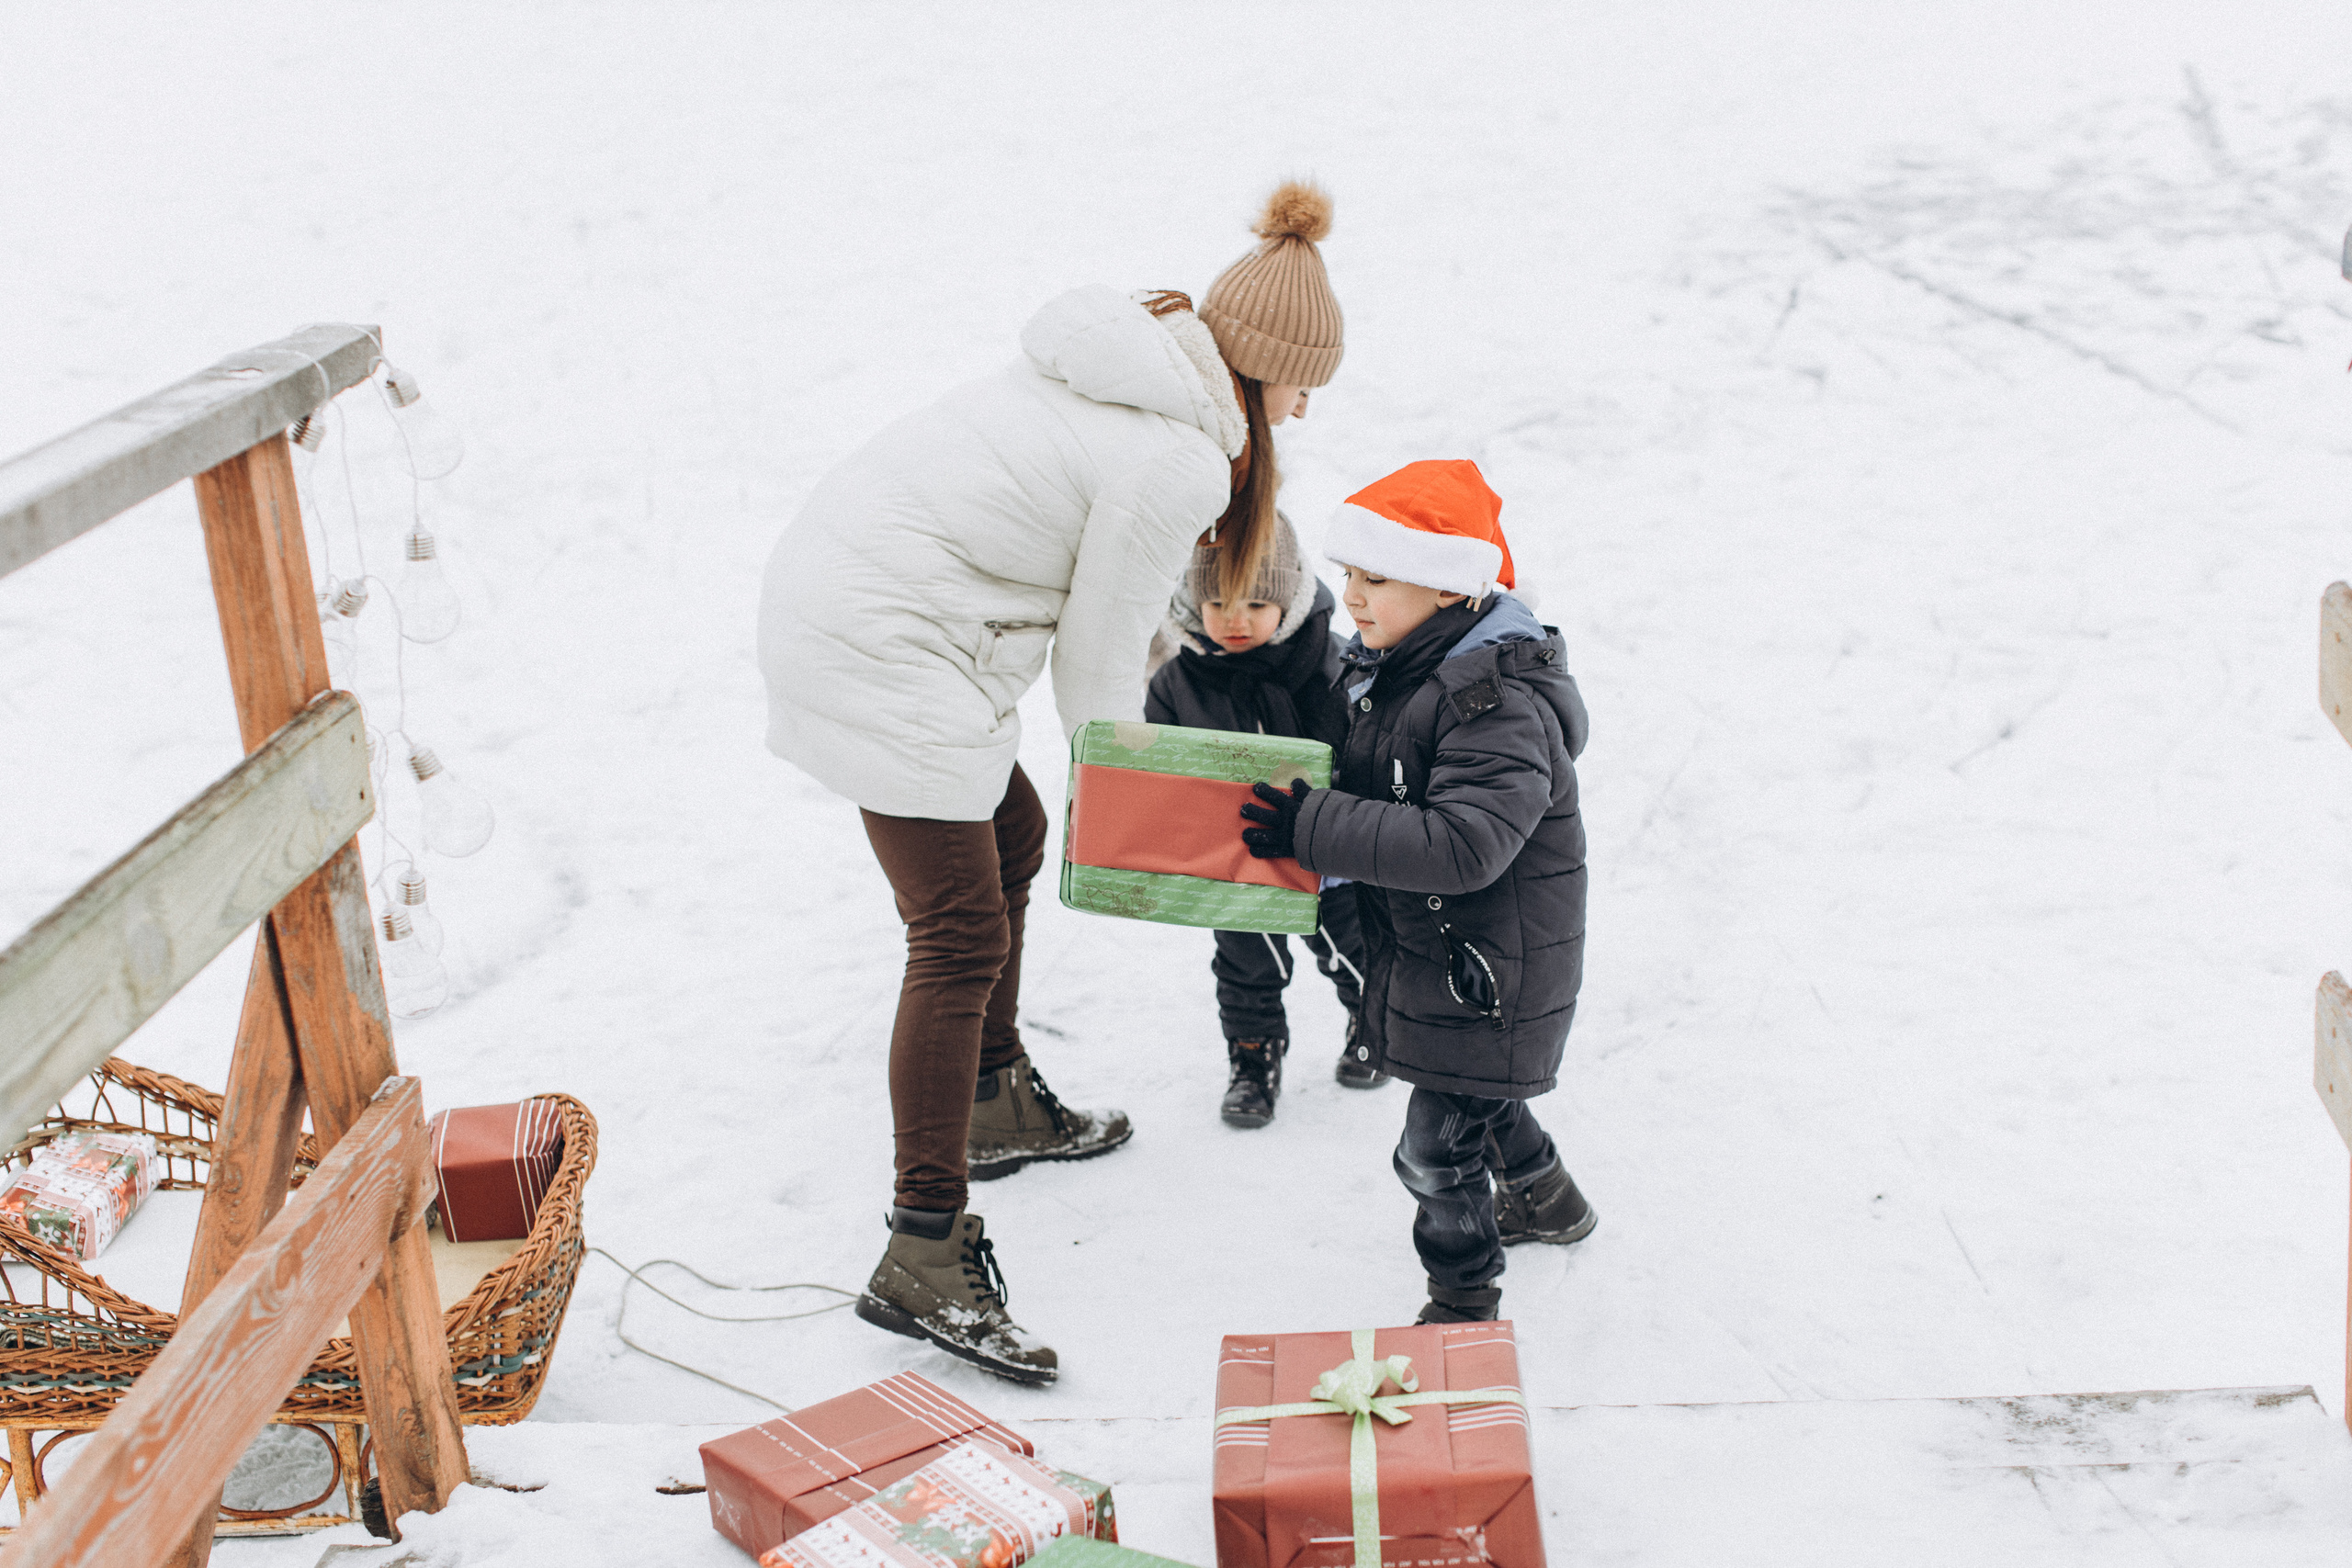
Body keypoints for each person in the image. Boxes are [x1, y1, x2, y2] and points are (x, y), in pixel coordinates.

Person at [755, 183, 1346, 1382]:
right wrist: (1158, 803)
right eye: (1304, 380)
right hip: (888, 642)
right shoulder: (1179, 458)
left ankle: (992, 1093)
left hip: (855, 604)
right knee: (958, 929)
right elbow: (1093, 673)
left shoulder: (1135, 365)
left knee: (1010, 834)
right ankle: (923, 1245)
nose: (1307, 403)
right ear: (1263, 364)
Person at [1235, 459, 1596, 1325]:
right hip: (1449, 953)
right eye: (1349, 574)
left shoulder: (1492, 700)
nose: (1351, 596)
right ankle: (1548, 1198)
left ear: (1446, 586)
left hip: (1491, 966)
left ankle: (1462, 1299)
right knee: (1480, 1094)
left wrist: (1315, 827)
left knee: (1435, 1150)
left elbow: (1466, 844)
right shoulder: (1395, 669)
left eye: (1377, 577)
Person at [1143, 513, 1381, 1127]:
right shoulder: (1177, 678)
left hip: (1323, 852)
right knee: (1247, 963)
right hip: (1235, 858)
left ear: (1289, 596)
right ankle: (1254, 1056)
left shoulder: (1331, 663)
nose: (1234, 618)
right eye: (1217, 600)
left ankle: (1372, 1020)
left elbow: (1363, 752)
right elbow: (1161, 769)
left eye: (1255, 600)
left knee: (1350, 945)